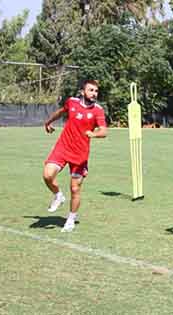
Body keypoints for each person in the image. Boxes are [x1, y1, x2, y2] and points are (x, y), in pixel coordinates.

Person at [42, 79, 108, 232]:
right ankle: (58, 195)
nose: (94, 93)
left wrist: (94, 134)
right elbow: (61, 112)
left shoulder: (98, 110)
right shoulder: (71, 102)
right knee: (47, 175)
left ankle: (71, 219)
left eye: (96, 91)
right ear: (82, 91)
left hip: (80, 154)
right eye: (91, 90)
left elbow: (104, 131)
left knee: (75, 189)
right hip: (63, 147)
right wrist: (48, 122)